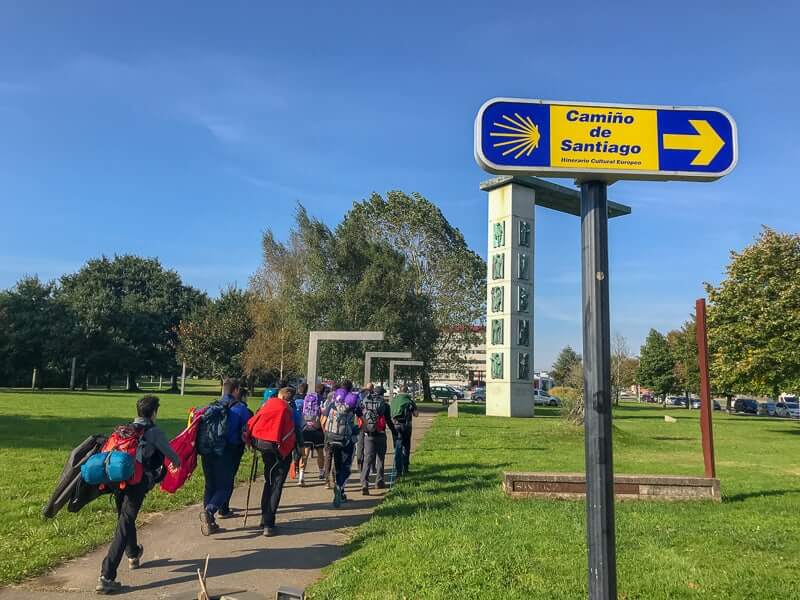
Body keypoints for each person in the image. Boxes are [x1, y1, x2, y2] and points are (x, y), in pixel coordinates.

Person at [96, 395, 181, 594]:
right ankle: (106, 575)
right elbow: (172, 455)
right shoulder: (153, 431)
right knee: (124, 524)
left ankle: (133, 554)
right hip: (137, 483)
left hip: (116, 480)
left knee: (125, 518)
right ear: (154, 413)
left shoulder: (125, 429)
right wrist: (178, 463)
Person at [199, 378, 251, 536]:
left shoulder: (210, 406)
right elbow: (247, 432)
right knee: (225, 486)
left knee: (210, 485)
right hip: (226, 452)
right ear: (236, 390)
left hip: (207, 451)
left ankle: (210, 522)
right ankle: (209, 511)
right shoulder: (241, 409)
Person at [246, 387, 299, 536]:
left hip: (264, 446)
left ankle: (264, 518)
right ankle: (269, 523)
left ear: (280, 396)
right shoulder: (291, 411)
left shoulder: (267, 405)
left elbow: (253, 421)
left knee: (268, 481)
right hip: (281, 450)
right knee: (276, 485)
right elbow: (297, 432)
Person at [322, 380, 361, 507]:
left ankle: (335, 484)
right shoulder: (354, 404)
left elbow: (323, 421)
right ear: (350, 390)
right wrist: (358, 431)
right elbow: (363, 422)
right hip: (346, 440)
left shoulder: (333, 403)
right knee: (346, 465)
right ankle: (340, 487)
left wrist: (327, 435)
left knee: (336, 464)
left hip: (331, 438)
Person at [219, 386, 253, 518]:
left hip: (216, 446)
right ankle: (223, 507)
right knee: (229, 477)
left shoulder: (218, 404)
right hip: (233, 447)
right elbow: (247, 431)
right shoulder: (243, 409)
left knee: (217, 478)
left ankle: (212, 506)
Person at [359, 386, 397, 495]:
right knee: (380, 458)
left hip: (368, 435)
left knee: (368, 459)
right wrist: (395, 433)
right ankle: (379, 481)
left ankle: (364, 484)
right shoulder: (384, 405)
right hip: (381, 434)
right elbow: (389, 421)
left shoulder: (365, 403)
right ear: (381, 395)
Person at [298, 383, 326, 486]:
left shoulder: (307, 398)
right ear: (323, 391)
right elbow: (323, 414)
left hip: (306, 428)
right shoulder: (322, 399)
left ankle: (301, 476)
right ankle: (321, 472)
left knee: (305, 453)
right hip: (317, 429)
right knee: (320, 452)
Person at [390, 385, 418, 477]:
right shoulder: (409, 400)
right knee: (406, 447)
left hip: (395, 426)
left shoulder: (394, 400)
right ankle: (405, 468)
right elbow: (416, 414)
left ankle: (398, 470)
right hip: (406, 426)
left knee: (397, 448)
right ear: (407, 391)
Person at [356, 384, 374, 470]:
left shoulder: (358, 400)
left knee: (360, 445)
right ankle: (371, 466)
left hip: (360, 425)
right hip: (369, 424)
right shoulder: (372, 399)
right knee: (370, 445)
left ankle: (360, 465)